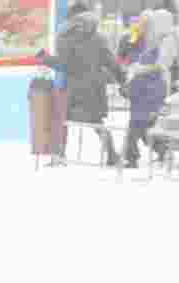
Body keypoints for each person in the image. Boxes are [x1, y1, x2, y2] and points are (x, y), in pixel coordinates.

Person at [38, 2, 126, 166]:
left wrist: (45, 59)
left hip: (73, 88)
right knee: (97, 123)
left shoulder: (67, 37)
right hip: (94, 89)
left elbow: (65, 65)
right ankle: (112, 156)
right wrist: (122, 78)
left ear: (71, 17)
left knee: (61, 121)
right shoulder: (99, 37)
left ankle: (59, 157)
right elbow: (111, 62)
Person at [123, 9, 175, 165]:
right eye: (143, 22)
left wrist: (139, 68)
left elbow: (161, 66)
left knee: (139, 126)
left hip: (149, 90)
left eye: (148, 22)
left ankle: (133, 157)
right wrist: (135, 31)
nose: (145, 25)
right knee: (143, 126)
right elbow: (127, 48)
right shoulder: (138, 35)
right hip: (140, 89)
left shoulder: (165, 40)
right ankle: (162, 152)